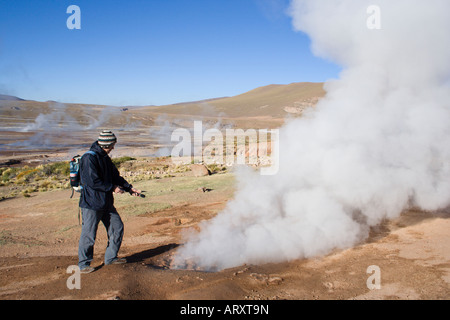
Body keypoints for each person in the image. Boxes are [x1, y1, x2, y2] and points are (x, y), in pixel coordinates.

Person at [77, 130, 141, 274]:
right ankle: (83, 264)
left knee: (117, 227)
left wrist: (130, 188)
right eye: (112, 145)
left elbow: (115, 177)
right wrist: (112, 188)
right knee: (89, 234)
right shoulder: (89, 158)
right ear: (106, 144)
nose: (113, 148)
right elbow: (92, 181)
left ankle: (111, 258)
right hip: (92, 203)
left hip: (106, 202)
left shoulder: (105, 158)